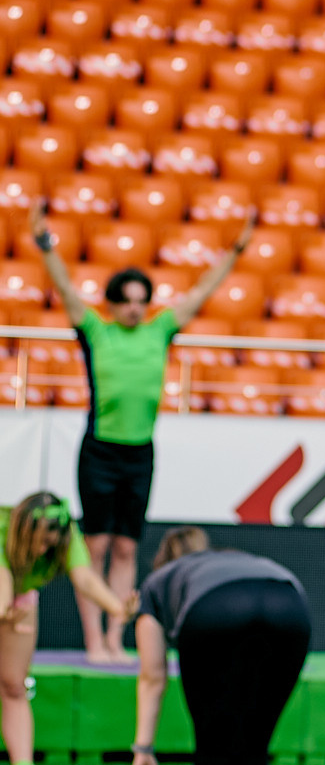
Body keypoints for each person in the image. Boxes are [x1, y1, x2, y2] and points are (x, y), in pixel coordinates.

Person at [36, 205, 255, 662]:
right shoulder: (96, 331)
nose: (135, 308)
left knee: (125, 547)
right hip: (100, 451)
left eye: (141, 300)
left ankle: (116, 637)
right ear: (113, 304)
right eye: (126, 300)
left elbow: (202, 292)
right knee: (95, 545)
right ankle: (94, 641)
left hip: (139, 454)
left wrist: (236, 250)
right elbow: (66, 289)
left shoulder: (160, 331)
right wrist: (44, 245)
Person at [120, 527, 309, 765]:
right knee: (255, 743)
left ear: (164, 559)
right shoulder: (233, 560)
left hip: (216, 607)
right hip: (288, 603)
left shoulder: (158, 583)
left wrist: (143, 748)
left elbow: (152, 676)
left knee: (213, 743)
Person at [2, 494, 132, 765]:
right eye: (37, 542)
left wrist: (117, 608)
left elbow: (84, 577)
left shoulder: (67, 533)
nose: (41, 551)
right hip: (5, 599)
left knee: (14, 687)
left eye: (49, 545)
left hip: (19, 601)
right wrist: (5, 611)